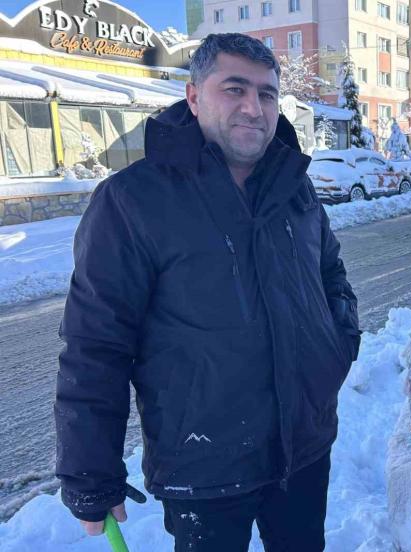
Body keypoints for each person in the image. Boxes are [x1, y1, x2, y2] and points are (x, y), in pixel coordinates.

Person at [54, 33, 360, 551]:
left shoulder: (294, 185)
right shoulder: (133, 201)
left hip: (304, 447)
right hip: (204, 463)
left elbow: (330, 273)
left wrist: (338, 345)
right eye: (234, 89)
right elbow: (96, 342)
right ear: (194, 97)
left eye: (266, 93)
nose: (254, 108)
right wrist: (90, 470)